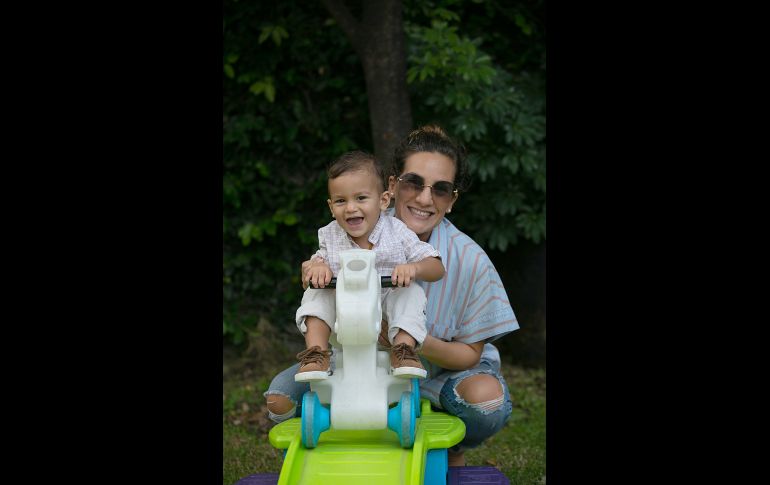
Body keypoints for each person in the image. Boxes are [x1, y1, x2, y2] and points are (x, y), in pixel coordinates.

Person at [264, 126, 519, 467]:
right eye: (414, 183)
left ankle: (451, 447)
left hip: (438, 372)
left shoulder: (470, 259)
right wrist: (313, 268)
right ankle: (316, 452)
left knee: (484, 402)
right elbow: (321, 264)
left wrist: (405, 339)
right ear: (393, 186)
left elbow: (469, 355)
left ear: (452, 200)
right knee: (280, 399)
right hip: (358, 362)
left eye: (441, 190)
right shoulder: (358, 220)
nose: (425, 199)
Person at [293, 150, 444, 382]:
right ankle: (316, 353)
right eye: (341, 201)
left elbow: (436, 267)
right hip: (344, 312)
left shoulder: (398, 231)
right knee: (316, 293)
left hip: (386, 308)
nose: (351, 208)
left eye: (361, 198)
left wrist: (414, 268)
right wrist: (316, 268)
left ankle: (403, 351)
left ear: (383, 200)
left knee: (411, 292)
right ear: (331, 207)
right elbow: (315, 265)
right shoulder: (330, 234)